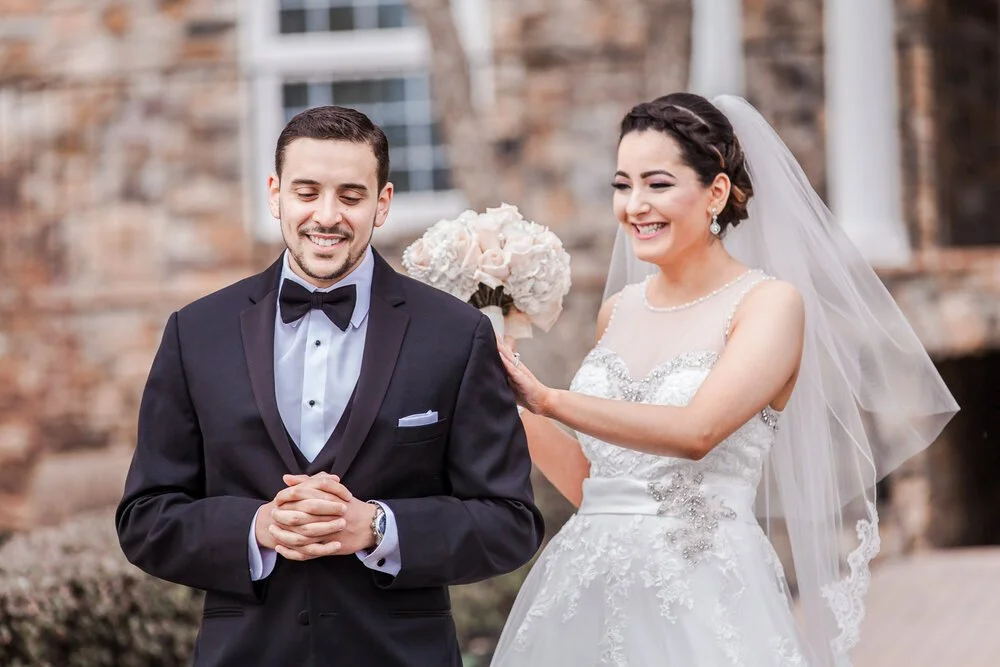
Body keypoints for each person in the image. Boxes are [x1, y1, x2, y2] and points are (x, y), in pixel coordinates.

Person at [491, 93, 958, 667]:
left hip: (703, 595)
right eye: (622, 184)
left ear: (715, 192)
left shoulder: (768, 305)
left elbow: (698, 430)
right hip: (582, 590)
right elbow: (596, 481)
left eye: (657, 184)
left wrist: (551, 399)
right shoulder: (618, 310)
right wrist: (514, 404)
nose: (634, 205)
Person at [116, 105, 543, 667]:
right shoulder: (196, 332)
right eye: (306, 191)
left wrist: (379, 528)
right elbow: (145, 516)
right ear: (275, 195)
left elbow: (510, 521)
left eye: (350, 195)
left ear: (382, 203)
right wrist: (257, 528)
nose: (327, 215)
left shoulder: (455, 334)